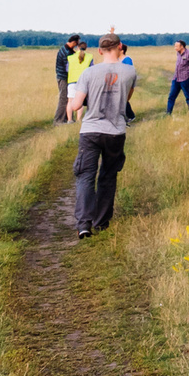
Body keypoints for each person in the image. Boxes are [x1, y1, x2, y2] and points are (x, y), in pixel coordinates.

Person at [69, 34, 135, 238]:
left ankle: (84, 224)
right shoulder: (130, 71)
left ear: (99, 51)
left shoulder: (89, 73)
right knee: (108, 176)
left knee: (85, 176)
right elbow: (126, 98)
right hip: (116, 131)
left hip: (90, 130)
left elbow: (77, 105)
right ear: (120, 47)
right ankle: (102, 222)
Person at [53, 34, 83, 121]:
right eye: (77, 43)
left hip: (62, 76)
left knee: (67, 99)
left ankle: (66, 119)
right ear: (74, 42)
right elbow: (69, 67)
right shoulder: (67, 52)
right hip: (63, 78)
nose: (77, 45)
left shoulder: (66, 49)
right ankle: (59, 120)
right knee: (63, 99)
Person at [165, 40, 189, 115]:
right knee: (171, 96)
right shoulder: (178, 53)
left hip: (185, 78)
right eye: (175, 46)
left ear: (182, 46)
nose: (175, 48)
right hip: (176, 78)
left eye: (176, 46)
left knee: (188, 95)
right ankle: (168, 113)